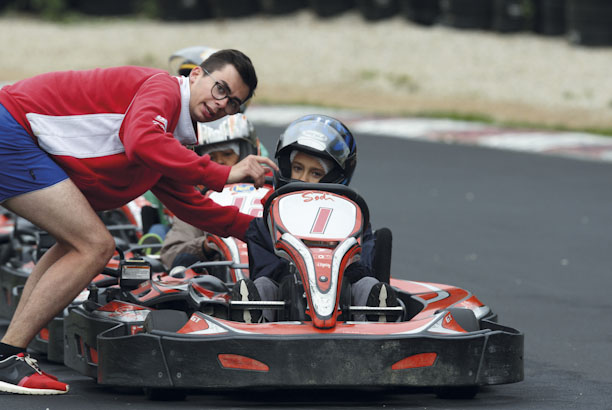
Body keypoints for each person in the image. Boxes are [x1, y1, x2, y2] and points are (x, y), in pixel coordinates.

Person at [0, 49, 277, 394]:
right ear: (196, 76)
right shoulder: (163, 90)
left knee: (77, 243)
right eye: (221, 89)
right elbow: (142, 141)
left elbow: (192, 205)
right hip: (11, 129)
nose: (223, 105)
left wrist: (263, 232)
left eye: (234, 103)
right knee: (95, 245)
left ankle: (8, 354)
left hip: (16, 133)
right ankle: (8, 358)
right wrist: (225, 172)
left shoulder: (172, 137)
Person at [231, 114, 400, 324]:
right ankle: (253, 319)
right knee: (263, 285)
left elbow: (362, 267)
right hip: (283, 300)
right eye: (298, 168)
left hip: (341, 295)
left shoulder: (351, 218)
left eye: (315, 172)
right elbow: (264, 269)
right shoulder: (269, 219)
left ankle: (376, 321)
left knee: (366, 284)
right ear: (286, 167)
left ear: (335, 177)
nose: (302, 179)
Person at [161, 113, 265, 270]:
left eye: (228, 154)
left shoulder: (270, 195)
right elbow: (170, 255)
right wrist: (207, 245)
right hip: (219, 286)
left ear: (246, 153)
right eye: (211, 157)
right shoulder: (195, 201)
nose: (221, 162)